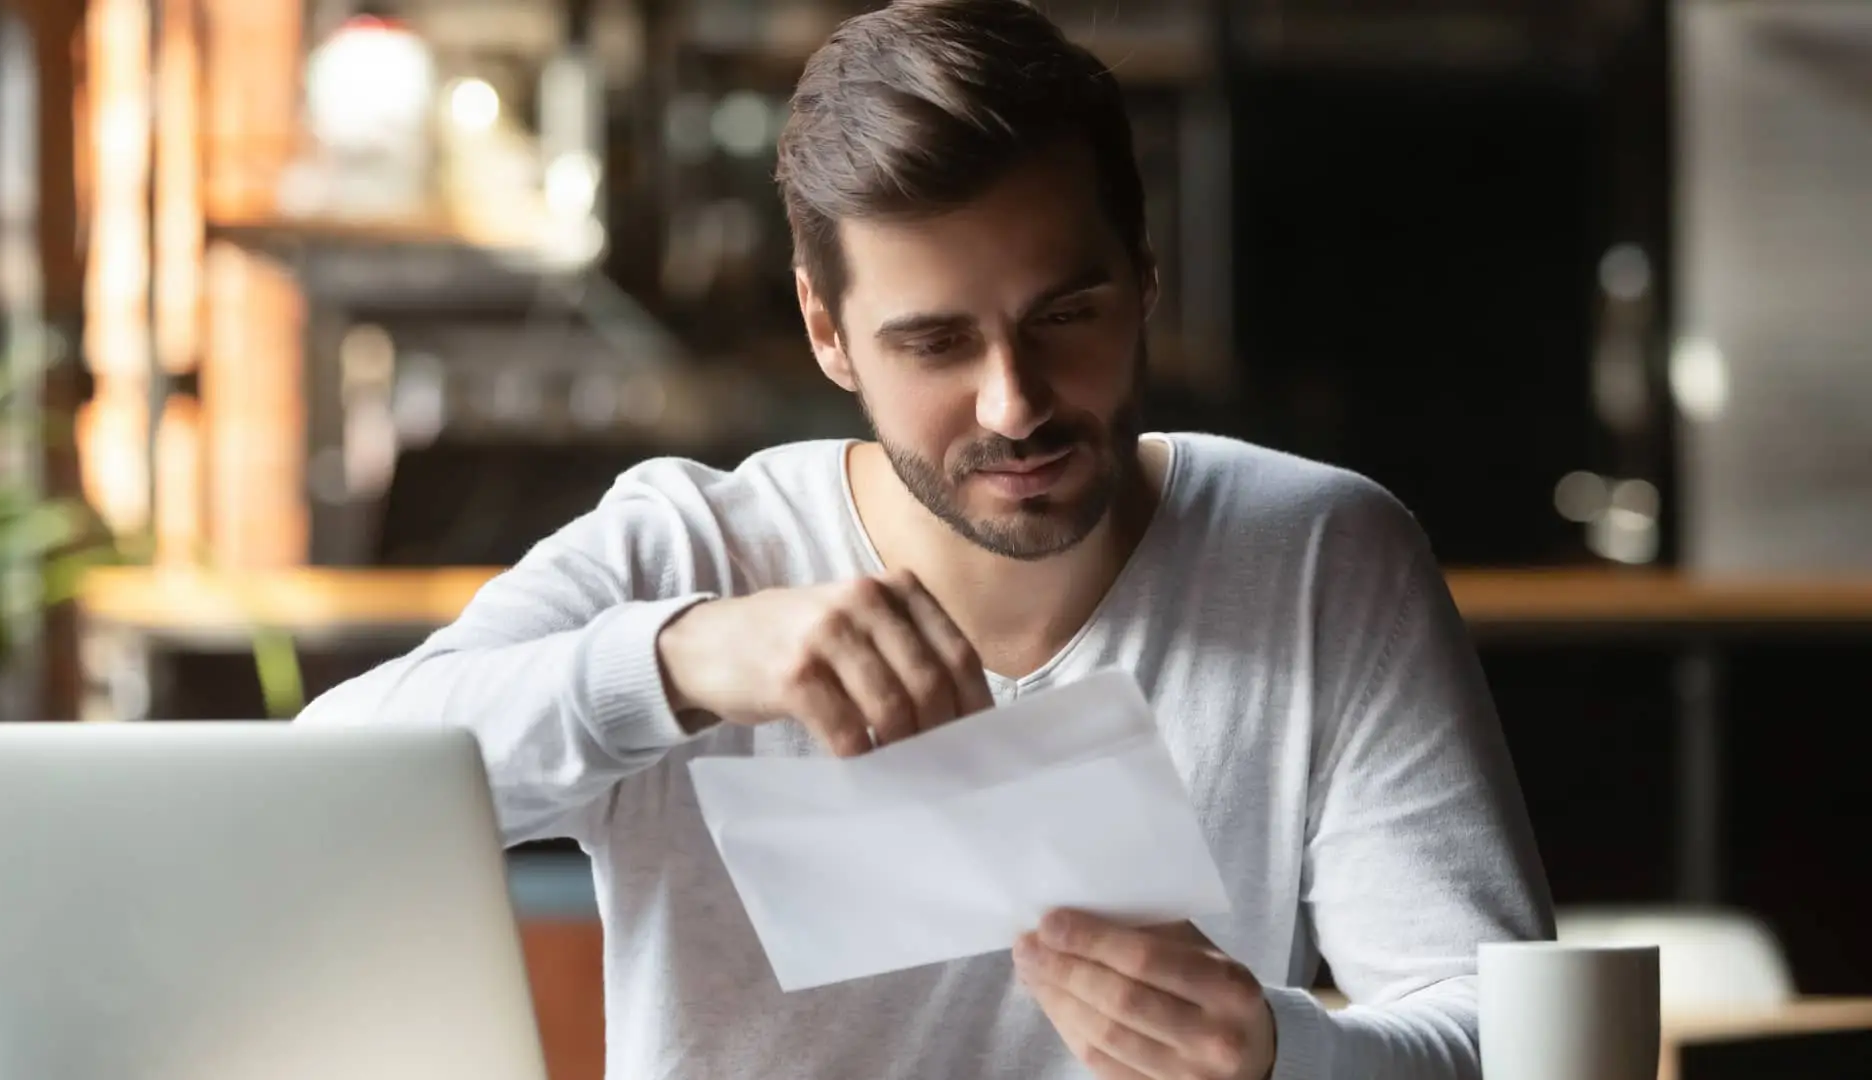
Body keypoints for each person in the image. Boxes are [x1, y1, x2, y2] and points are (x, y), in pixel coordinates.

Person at [295, 1, 1554, 1076]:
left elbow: (1500, 1036)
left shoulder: (1320, 556)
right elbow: (330, 796)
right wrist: (676, 661)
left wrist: (1281, 1054)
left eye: (1066, 313)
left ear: (1148, 276)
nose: (1016, 403)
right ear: (827, 331)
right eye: (936, 342)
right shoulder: (691, 551)